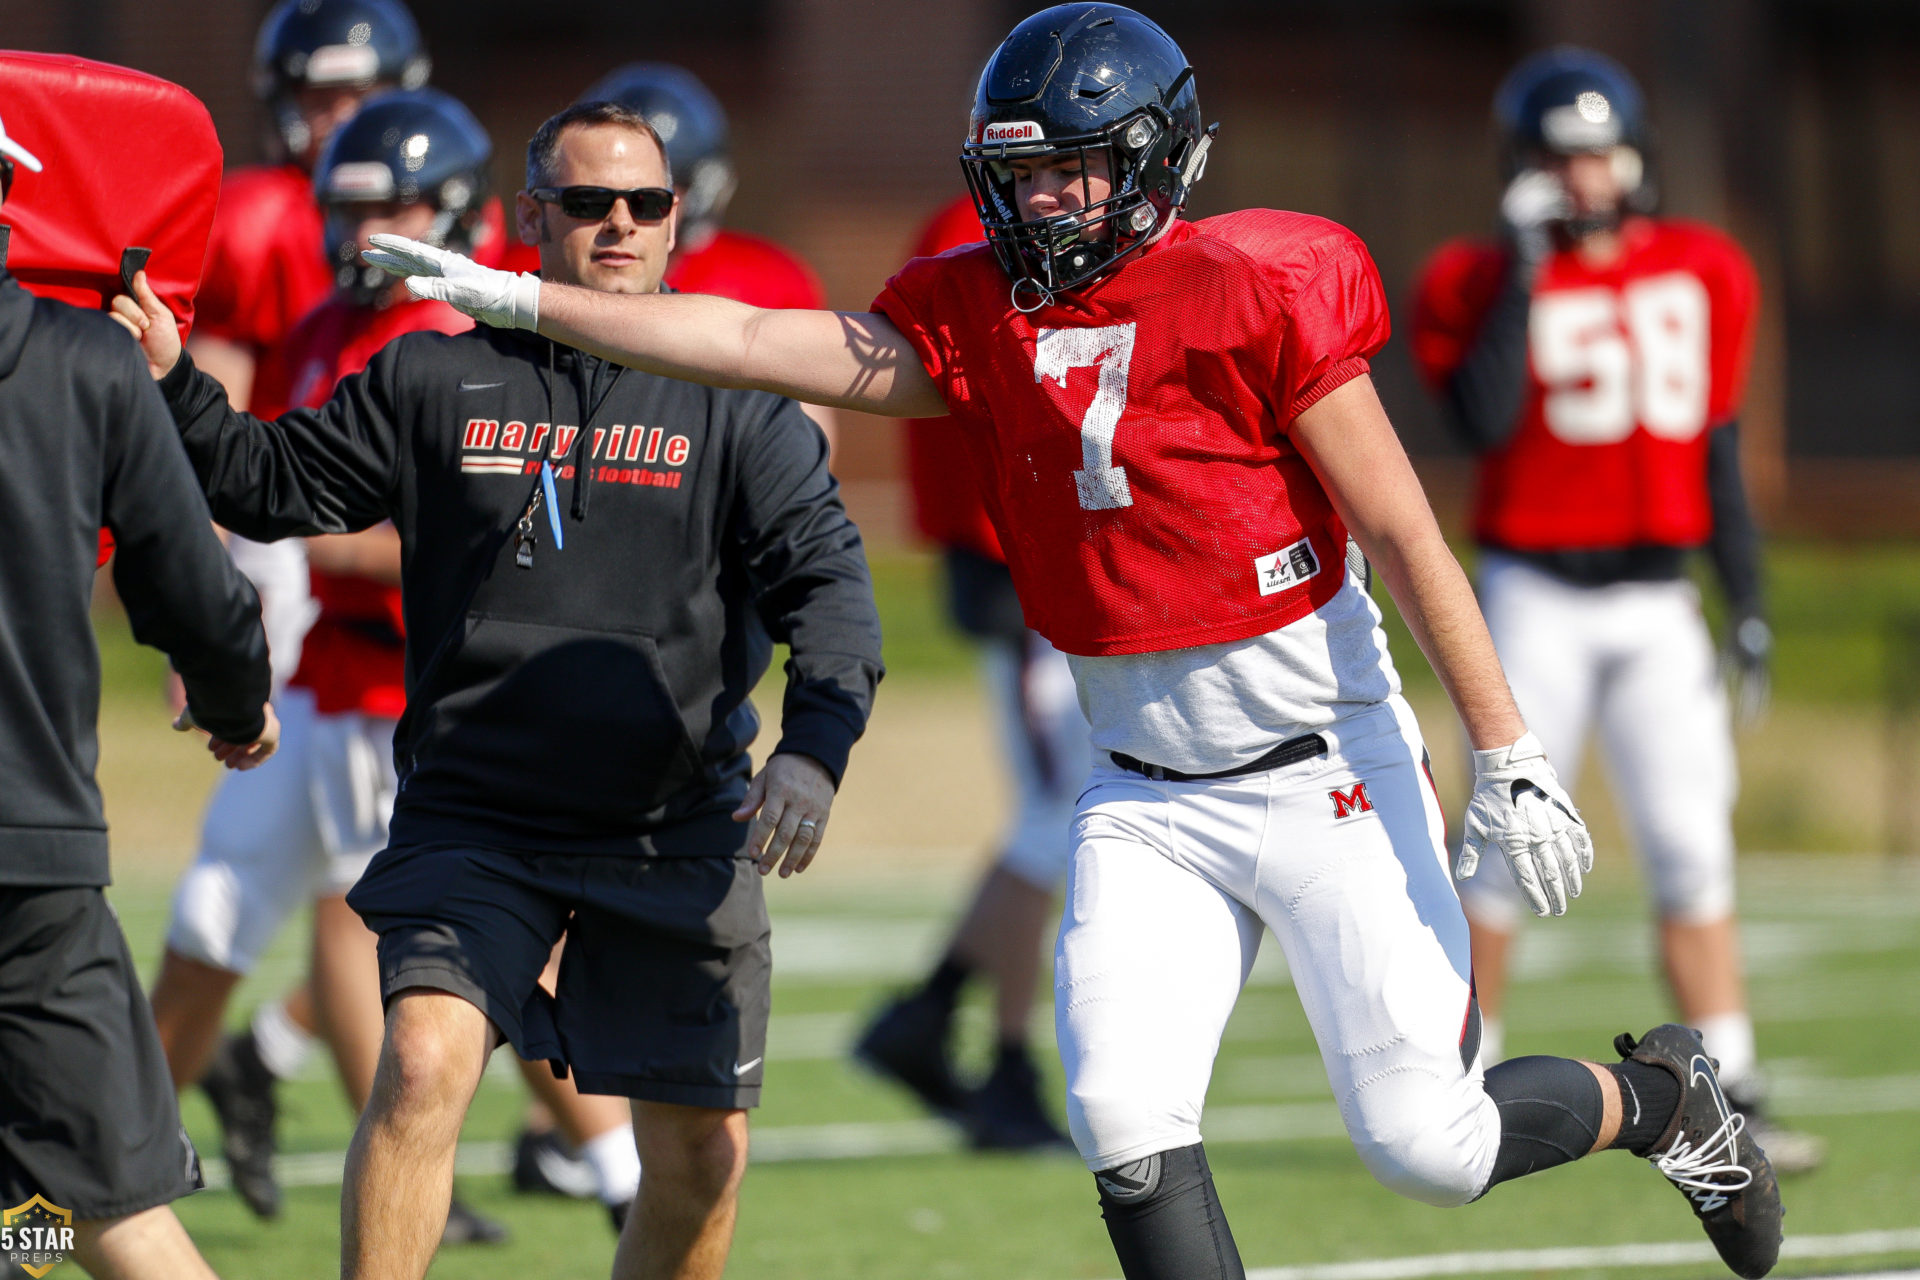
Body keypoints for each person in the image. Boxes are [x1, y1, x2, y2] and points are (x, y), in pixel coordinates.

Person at [362, 7, 1788, 1279]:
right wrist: (534, 300)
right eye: (1021, 170)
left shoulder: (1257, 287)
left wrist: (1510, 746)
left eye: (1072, 167)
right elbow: (749, 342)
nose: (1040, 198)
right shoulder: (978, 315)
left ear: (1157, 159)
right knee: (1121, 1111)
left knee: (1430, 1144)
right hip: (1142, 793)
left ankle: (1665, 1100)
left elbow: (1409, 533)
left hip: (1323, 768)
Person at [114, 98, 882, 1280]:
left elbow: (827, 581)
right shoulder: (434, 372)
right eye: (587, 203)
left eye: (645, 203)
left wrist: (814, 744)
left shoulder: (740, 397)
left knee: (699, 1160)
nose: (618, 225)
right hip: (474, 811)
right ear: (532, 217)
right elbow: (269, 482)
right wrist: (173, 380)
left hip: (671, 822)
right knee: (420, 1060)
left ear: (679, 218)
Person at [1408, 47, 1822, 1176]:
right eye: (1558, 156)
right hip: (1533, 589)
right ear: (1522, 167)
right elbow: (1480, 418)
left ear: (1631, 155)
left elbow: (1721, 447)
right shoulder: (1474, 276)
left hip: (1656, 600)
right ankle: (1464, 1079)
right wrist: (1530, 272)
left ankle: (1731, 1084)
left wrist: (1744, 597)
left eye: (1595, 153)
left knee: (1693, 848)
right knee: (1501, 842)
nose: (1582, 177)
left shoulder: (1704, 267)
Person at [152, 88, 522, 1245]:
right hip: (304, 692)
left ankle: (601, 1159)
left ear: (457, 212)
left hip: (415, 697)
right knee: (217, 916)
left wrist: (279, 551)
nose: (367, 233)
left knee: (466, 958)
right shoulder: (320, 326)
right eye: (350, 209)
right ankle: (96, 1173)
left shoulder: (473, 341)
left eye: (394, 207)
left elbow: (457, 542)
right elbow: (248, 491)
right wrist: (218, 627)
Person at [145, 0, 428, 1210]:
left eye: (354, 93)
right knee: (317, 888)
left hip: (378, 613)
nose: (335, 123)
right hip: (288, 570)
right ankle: (106, 1178)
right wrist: (198, 597)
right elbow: (221, 419)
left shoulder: (433, 254)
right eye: (314, 98)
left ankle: (244, 1093)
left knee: (353, 888)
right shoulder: (266, 218)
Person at [0, 109, 277, 1280]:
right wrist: (237, 700)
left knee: (44, 1212)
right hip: (29, 851)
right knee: (113, 1201)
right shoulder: (88, 359)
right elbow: (192, 583)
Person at [854, 193, 1086, 1151]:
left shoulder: (960, 223)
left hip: (1026, 554)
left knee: (1059, 818)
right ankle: (997, 1053)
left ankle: (944, 1020)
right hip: (1026, 558)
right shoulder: (972, 231)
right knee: (1056, 819)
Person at [576, 62, 839, 445]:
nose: (622, 215)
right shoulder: (528, 271)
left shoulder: (768, 279)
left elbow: (811, 442)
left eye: (650, 191)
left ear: (698, 189)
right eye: (601, 191)